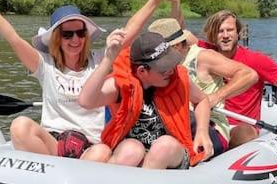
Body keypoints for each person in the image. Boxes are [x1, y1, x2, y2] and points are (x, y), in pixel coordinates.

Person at [0, 0, 174, 161]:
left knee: (100, 152)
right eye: (67, 34)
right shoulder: (44, 65)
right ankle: (51, 180)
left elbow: (130, 29)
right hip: (53, 143)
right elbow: (14, 39)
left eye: (80, 33)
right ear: (56, 38)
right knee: (19, 126)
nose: (75, 39)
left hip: (91, 146)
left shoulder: (101, 59)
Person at [78, 30, 214, 169]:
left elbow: (201, 100)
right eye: (163, 69)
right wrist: (108, 59)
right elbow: (85, 101)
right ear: (142, 71)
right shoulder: (123, 84)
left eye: (171, 64)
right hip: (132, 152)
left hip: (172, 152)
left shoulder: (178, 77)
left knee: (164, 146)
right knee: (126, 150)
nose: (171, 71)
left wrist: (202, 131)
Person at [146, 17, 258, 156]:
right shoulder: (153, 64)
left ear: (176, 46)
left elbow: (249, 74)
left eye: (161, 52)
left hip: (210, 126)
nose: (157, 58)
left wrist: (216, 97)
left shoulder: (203, 57)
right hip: (171, 123)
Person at [199, 10, 277, 147]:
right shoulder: (205, 53)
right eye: (220, 31)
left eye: (230, 30)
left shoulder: (255, 60)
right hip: (213, 122)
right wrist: (175, 2)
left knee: (243, 133)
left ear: (238, 33)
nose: (225, 35)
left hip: (242, 126)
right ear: (213, 35)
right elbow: (181, 37)